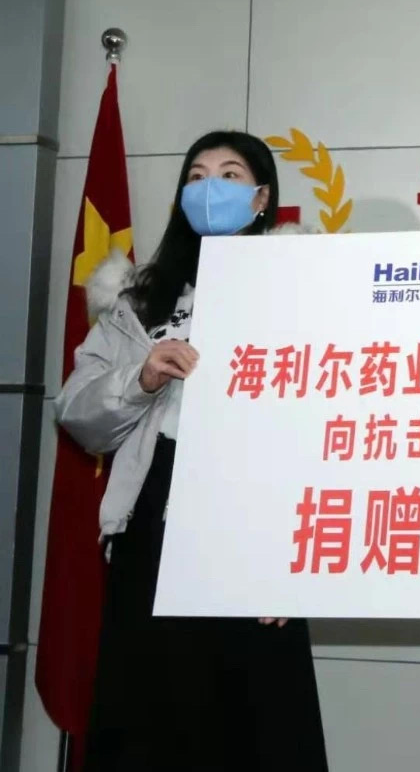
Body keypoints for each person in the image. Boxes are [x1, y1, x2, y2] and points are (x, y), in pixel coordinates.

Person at [55, 130, 329, 770]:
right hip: (154, 514)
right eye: (197, 175)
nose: (211, 188)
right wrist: (141, 377)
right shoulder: (138, 300)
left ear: (261, 198)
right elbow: (77, 413)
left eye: (230, 175)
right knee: (151, 719)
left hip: (256, 523)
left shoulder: (306, 290)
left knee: (256, 723)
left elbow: (329, 433)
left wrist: (295, 563)